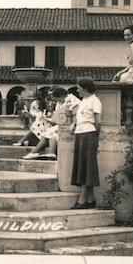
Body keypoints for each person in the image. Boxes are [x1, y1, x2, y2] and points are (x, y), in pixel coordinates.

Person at [22, 87, 81, 160]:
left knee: (50, 131)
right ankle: (39, 152)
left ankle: (37, 152)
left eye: (56, 99)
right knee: (49, 130)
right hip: (63, 124)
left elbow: (74, 116)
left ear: (61, 96)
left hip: (73, 125)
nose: (56, 101)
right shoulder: (60, 102)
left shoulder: (72, 101)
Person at [70, 78, 102, 209]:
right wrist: (74, 125)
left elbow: (98, 122)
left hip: (89, 134)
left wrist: (96, 138)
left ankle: (82, 199)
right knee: (81, 165)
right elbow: (80, 118)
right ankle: (90, 199)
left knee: (87, 166)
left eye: (79, 88)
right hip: (80, 134)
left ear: (86, 88)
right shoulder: (84, 101)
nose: (77, 90)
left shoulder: (95, 101)